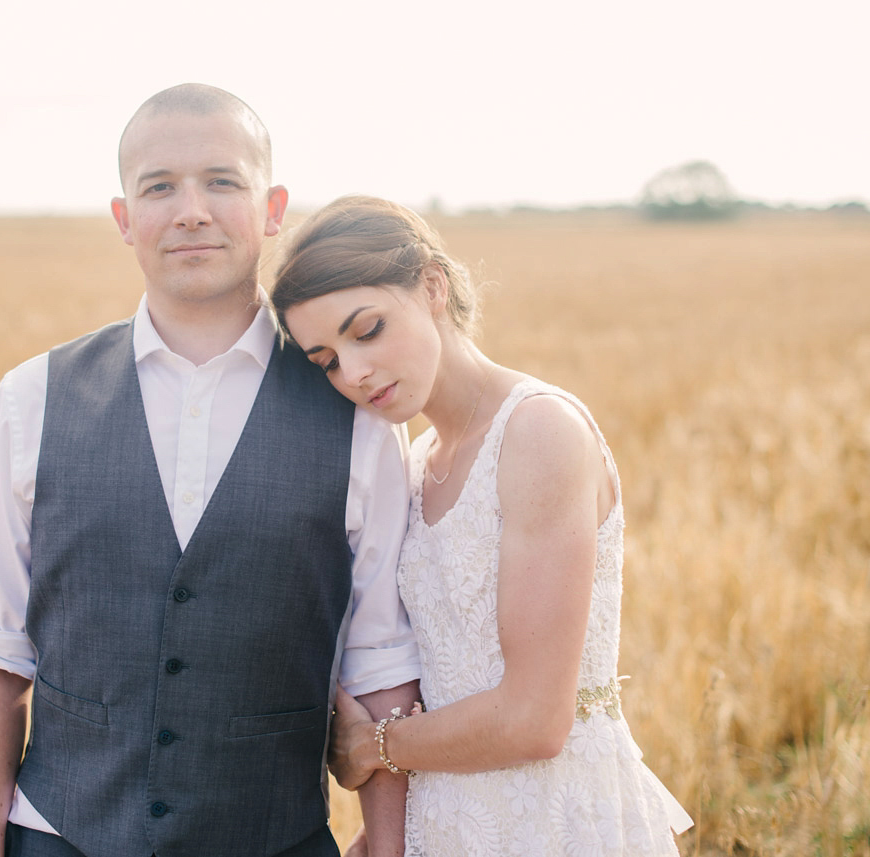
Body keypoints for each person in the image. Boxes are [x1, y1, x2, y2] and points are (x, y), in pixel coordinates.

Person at [0, 88, 421, 857]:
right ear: (123, 217)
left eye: (222, 182)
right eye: (159, 185)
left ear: (272, 208)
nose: (191, 209)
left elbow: (383, 663)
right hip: (57, 838)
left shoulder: (358, 416)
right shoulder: (30, 398)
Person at [272, 195, 693, 856]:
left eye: (368, 328)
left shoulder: (537, 431)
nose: (352, 372)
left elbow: (535, 719)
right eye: (325, 359)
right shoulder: (412, 466)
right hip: (449, 820)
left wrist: (371, 745)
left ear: (433, 285)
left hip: (555, 820)